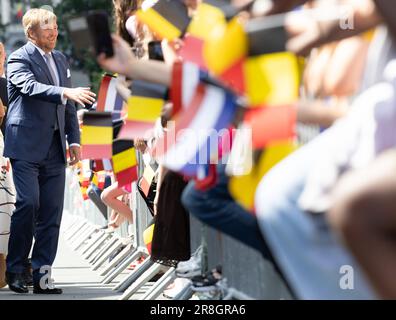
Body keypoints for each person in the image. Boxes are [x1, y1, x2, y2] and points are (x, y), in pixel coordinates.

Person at [5, 8, 96, 294]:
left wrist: (74, 141)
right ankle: (16, 270)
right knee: (29, 204)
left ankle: (42, 276)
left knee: (51, 214)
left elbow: (68, 107)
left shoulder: (60, 58)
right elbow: (30, 87)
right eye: (47, 28)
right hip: (25, 145)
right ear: (31, 32)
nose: (54, 31)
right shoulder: (19, 58)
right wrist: (65, 92)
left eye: (55, 26)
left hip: (56, 149)